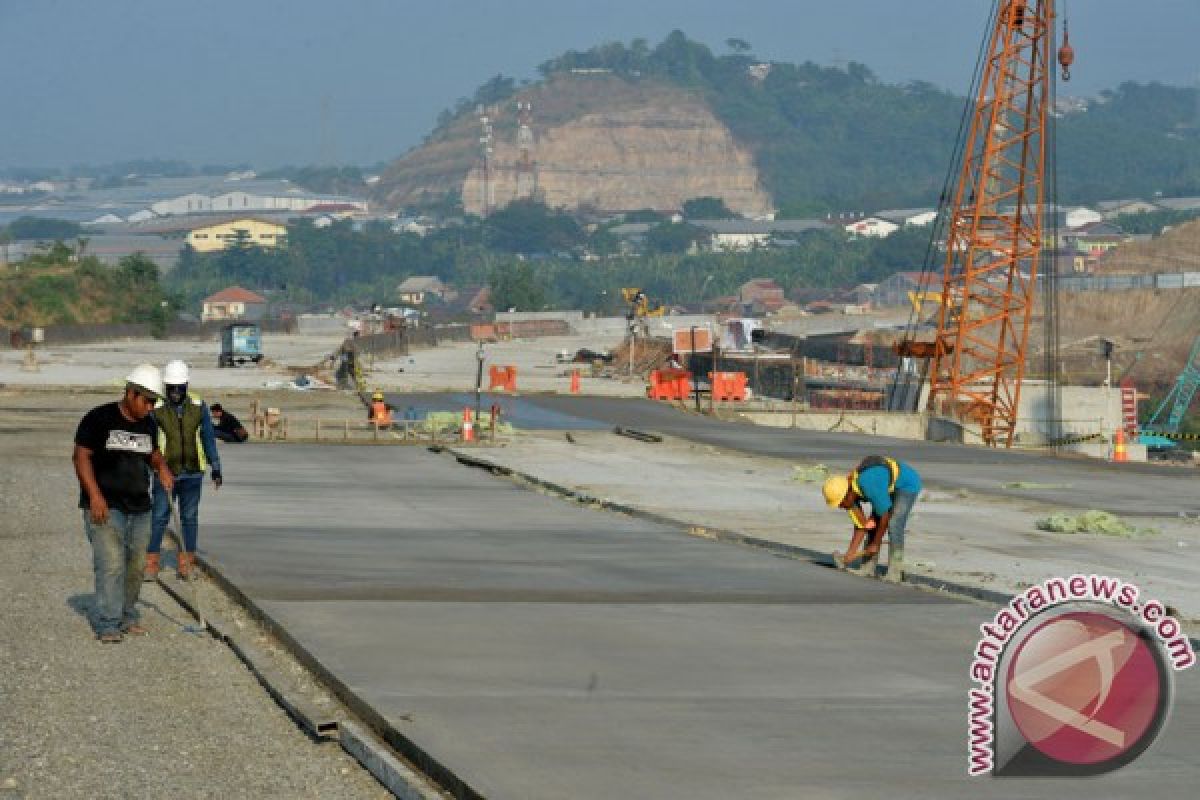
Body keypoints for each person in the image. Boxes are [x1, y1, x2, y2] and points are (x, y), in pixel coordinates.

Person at [73, 364, 174, 642]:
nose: (151, 407)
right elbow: (81, 457)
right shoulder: (99, 418)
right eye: (148, 401)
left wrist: (162, 468)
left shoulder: (149, 423)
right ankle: (108, 623)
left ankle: (128, 615)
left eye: (154, 402)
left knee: (136, 565)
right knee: (111, 564)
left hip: (140, 506)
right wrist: (94, 496)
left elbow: (152, 454)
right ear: (131, 393)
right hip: (106, 505)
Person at [146, 360, 222, 580]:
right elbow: (148, 442)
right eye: (172, 388)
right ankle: (151, 562)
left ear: (186, 385)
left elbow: (208, 438)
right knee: (159, 516)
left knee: (189, 517)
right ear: (166, 387)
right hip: (164, 473)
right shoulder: (156, 409)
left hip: (192, 474)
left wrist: (215, 466)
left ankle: (186, 563)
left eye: (180, 388)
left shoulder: (199, 406)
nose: (176, 392)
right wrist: (148, 471)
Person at [822, 455, 922, 582]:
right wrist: (850, 553)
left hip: (906, 484)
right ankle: (867, 568)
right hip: (883, 485)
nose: (841, 507)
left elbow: (884, 515)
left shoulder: (868, 483)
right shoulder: (850, 495)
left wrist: (875, 543)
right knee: (872, 524)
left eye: (840, 503)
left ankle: (895, 572)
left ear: (848, 495)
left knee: (894, 524)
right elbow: (861, 526)